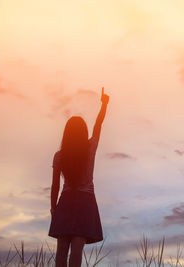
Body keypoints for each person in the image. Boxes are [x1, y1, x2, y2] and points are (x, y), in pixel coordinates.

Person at [48, 87, 110, 267]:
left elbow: (54, 187)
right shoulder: (90, 149)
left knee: (61, 250)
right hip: (85, 202)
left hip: (65, 203)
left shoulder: (60, 155)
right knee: (76, 251)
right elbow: (98, 125)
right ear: (83, 132)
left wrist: (54, 210)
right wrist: (104, 105)